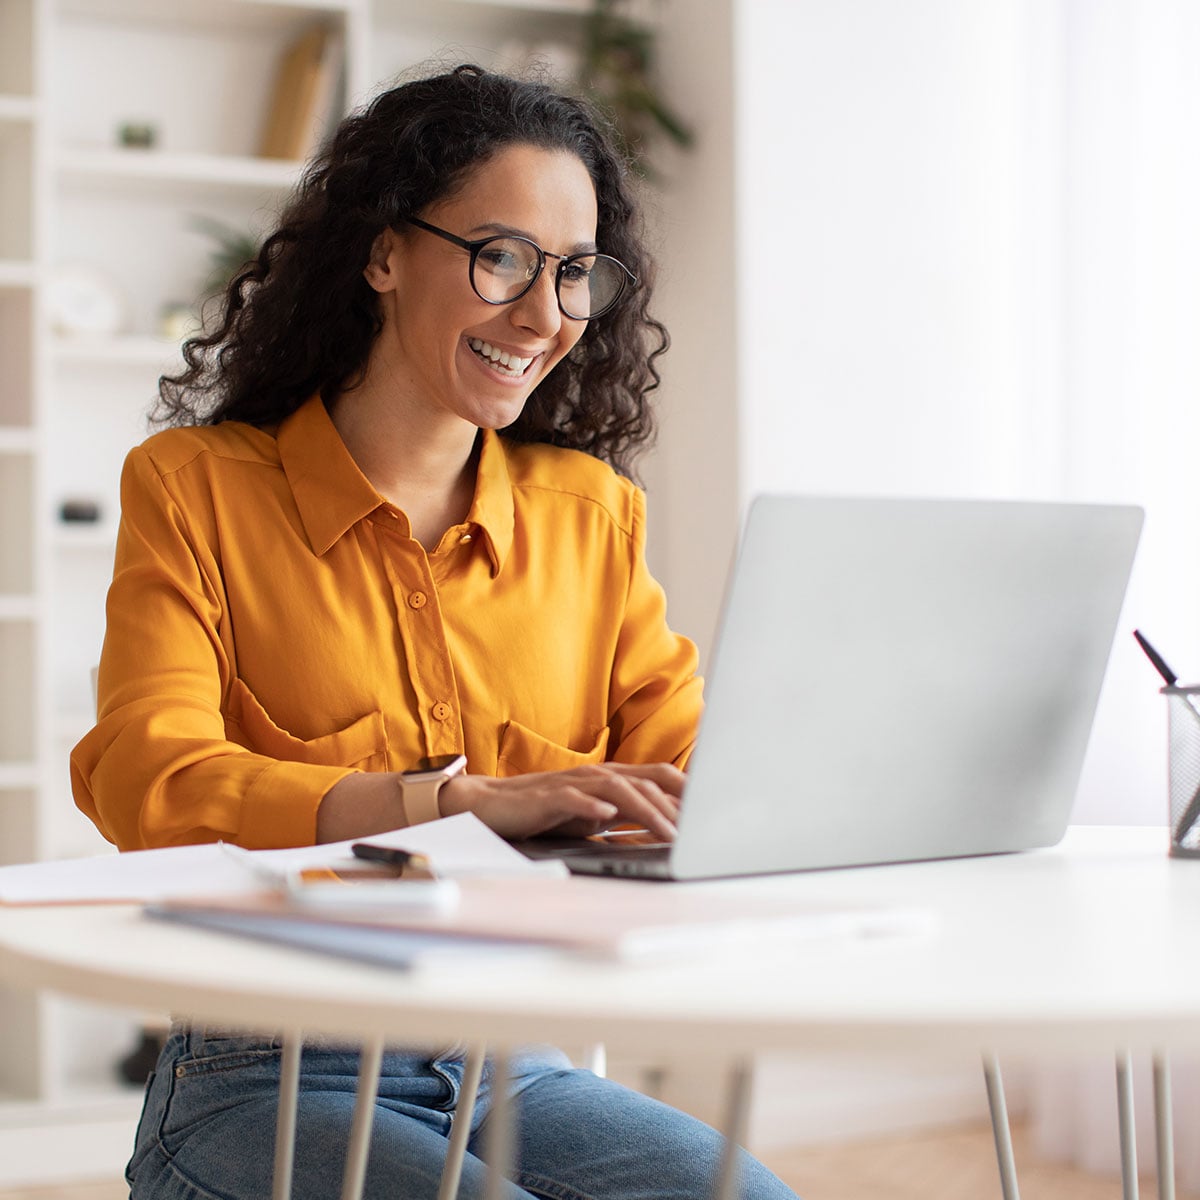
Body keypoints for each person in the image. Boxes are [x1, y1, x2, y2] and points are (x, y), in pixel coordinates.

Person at [70, 64, 799, 1200]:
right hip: (264, 1071)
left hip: (515, 1064)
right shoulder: (197, 489)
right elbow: (145, 777)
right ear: (382, 253)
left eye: (573, 274)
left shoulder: (589, 518)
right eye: (501, 256)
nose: (544, 314)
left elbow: (696, 770)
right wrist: (443, 806)